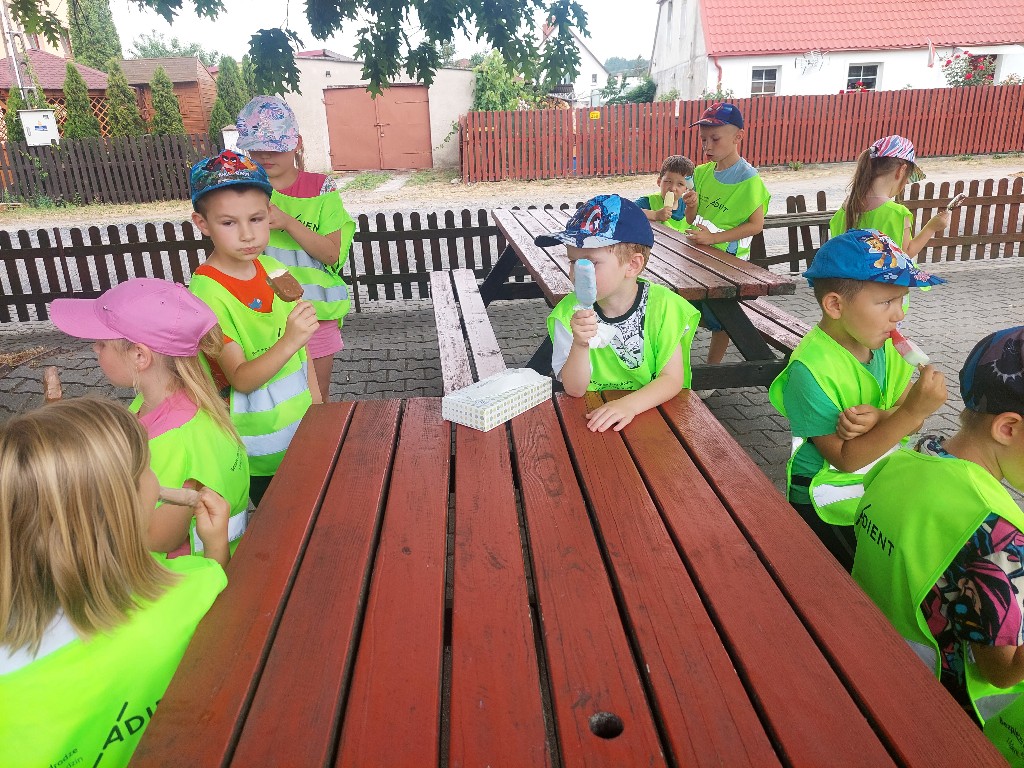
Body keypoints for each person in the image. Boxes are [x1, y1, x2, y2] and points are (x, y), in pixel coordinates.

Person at [0, 397, 229, 768]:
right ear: (125, 507)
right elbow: (216, 598)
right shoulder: (191, 587)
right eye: (147, 468)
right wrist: (215, 546)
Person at [852, 327, 1024, 765]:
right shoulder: (998, 535)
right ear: (1007, 428)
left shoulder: (903, 460)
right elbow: (1002, 673)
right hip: (943, 717)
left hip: (869, 660)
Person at [768, 229, 947, 570]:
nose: (899, 315)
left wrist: (884, 417)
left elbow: (908, 412)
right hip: (827, 501)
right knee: (853, 578)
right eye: (886, 302)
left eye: (902, 300)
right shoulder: (810, 370)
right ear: (835, 305)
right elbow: (845, 459)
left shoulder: (886, 348)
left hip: (875, 487)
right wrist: (909, 414)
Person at [49, 278, 251, 557]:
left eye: (102, 344)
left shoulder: (170, 441)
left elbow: (156, 540)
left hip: (184, 573)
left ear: (140, 356)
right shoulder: (170, 399)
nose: (95, 349)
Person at [188, 149, 319, 506]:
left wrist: (319, 407)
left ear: (270, 215)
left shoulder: (272, 267)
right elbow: (241, 378)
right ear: (203, 224)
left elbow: (302, 349)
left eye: (257, 219)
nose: (247, 235)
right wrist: (290, 340)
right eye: (229, 223)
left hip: (302, 426)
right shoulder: (206, 295)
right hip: (261, 449)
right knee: (284, 521)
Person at [536, 194, 700, 433]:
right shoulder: (567, 314)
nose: (576, 274)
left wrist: (628, 405)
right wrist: (580, 344)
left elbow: (672, 378)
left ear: (632, 265)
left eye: (590, 263)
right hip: (590, 416)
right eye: (573, 262)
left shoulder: (664, 307)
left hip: (653, 412)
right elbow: (574, 389)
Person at [236, 95, 356, 402]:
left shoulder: (321, 189)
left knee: (316, 404)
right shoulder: (242, 191)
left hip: (315, 315)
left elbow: (331, 255)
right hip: (260, 315)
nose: (265, 155)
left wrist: (288, 222)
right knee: (272, 400)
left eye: (275, 146)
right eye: (256, 147)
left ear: (296, 143)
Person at [681, 102, 771, 369]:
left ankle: (711, 371)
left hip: (727, 264)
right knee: (685, 308)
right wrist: (691, 205)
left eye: (715, 139)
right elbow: (690, 219)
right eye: (703, 139)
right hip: (697, 255)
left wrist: (713, 239)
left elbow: (756, 225)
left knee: (723, 319)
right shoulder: (701, 173)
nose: (707, 146)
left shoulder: (749, 179)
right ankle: (677, 366)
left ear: (738, 137)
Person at [830, 135, 950, 258]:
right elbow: (905, 255)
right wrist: (931, 228)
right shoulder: (897, 213)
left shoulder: (844, 210)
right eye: (907, 179)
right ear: (901, 170)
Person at [635, 154, 695, 232]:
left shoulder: (688, 206)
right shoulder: (648, 202)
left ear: (686, 188)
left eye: (680, 184)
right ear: (659, 182)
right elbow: (626, 212)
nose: (672, 188)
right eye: (668, 181)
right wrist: (655, 215)